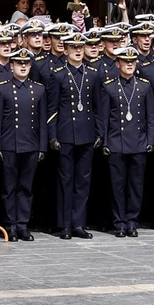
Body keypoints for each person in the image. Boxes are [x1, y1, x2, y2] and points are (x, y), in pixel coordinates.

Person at [97, 48, 154, 238]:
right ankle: (119, 222)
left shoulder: (144, 86)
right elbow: (104, 116)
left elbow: (151, 117)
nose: (129, 64)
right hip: (116, 143)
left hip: (139, 143)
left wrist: (151, 140)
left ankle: (132, 221)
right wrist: (105, 141)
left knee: (135, 186)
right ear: (117, 64)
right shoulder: (109, 86)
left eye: (132, 61)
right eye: (125, 61)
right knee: (117, 186)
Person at [45, 34, 98, 240]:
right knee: (65, 181)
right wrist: (52, 136)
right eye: (72, 47)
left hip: (86, 133)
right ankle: (65, 225)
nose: (77, 51)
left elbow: (97, 107)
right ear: (65, 50)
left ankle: (79, 224)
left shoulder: (92, 74)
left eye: (80, 47)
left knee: (83, 182)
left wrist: (99, 133)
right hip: (65, 134)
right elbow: (52, 109)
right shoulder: (58, 74)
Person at [0, 48, 48, 241]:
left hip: (31, 144)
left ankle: (23, 225)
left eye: (26, 63)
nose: (23, 66)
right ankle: (10, 225)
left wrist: (42, 147)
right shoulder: (2, 88)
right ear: (12, 66)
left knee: (26, 187)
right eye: (19, 63)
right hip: (10, 144)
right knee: (9, 188)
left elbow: (42, 122)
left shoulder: (39, 89)